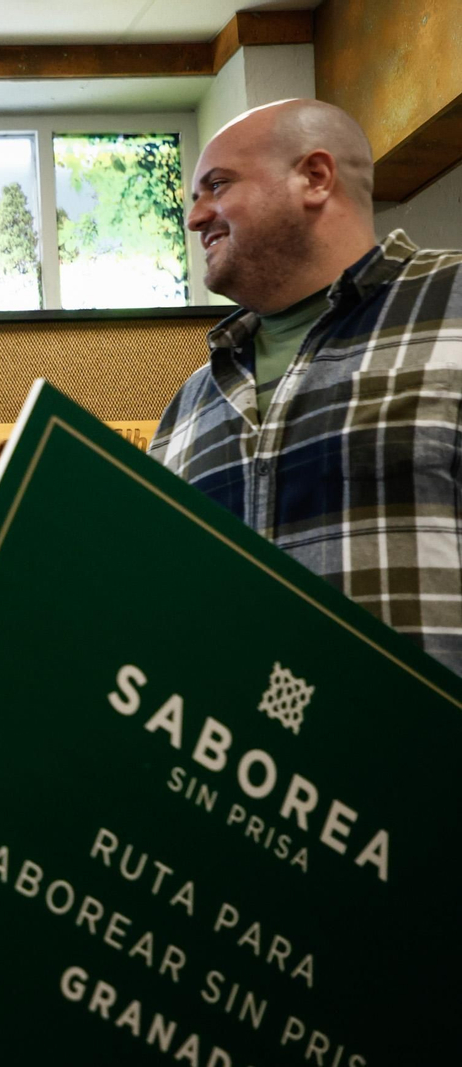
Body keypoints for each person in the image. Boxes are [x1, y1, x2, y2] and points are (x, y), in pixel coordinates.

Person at [155, 98, 462, 676]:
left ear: (315, 178)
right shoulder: (190, 404)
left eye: (217, 185)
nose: (194, 218)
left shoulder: (454, 304)